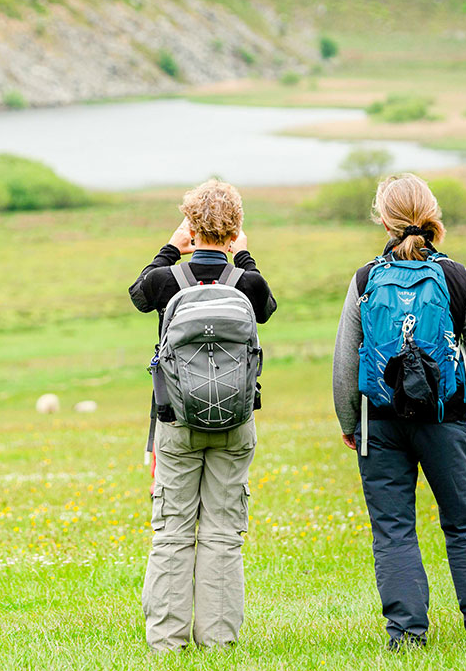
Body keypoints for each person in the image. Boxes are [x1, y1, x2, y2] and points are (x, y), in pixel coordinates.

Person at [332, 173, 466, 650]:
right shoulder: (455, 276)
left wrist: (350, 422)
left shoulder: (366, 278)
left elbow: (346, 358)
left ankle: (406, 636)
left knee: (393, 530)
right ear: (432, 214)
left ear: (383, 220)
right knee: (464, 523)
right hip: (445, 419)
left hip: (380, 423)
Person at [128, 179, 277, 652]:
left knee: (172, 532)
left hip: (175, 421)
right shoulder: (246, 283)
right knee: (222, 533)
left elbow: (138, 292)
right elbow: (266, 308)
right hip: (236, 423)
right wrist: (245, 258)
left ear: (190, 226)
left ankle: (167, 642)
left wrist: (171, 248)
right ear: (235, 231)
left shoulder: (167, 280)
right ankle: (218, 641)